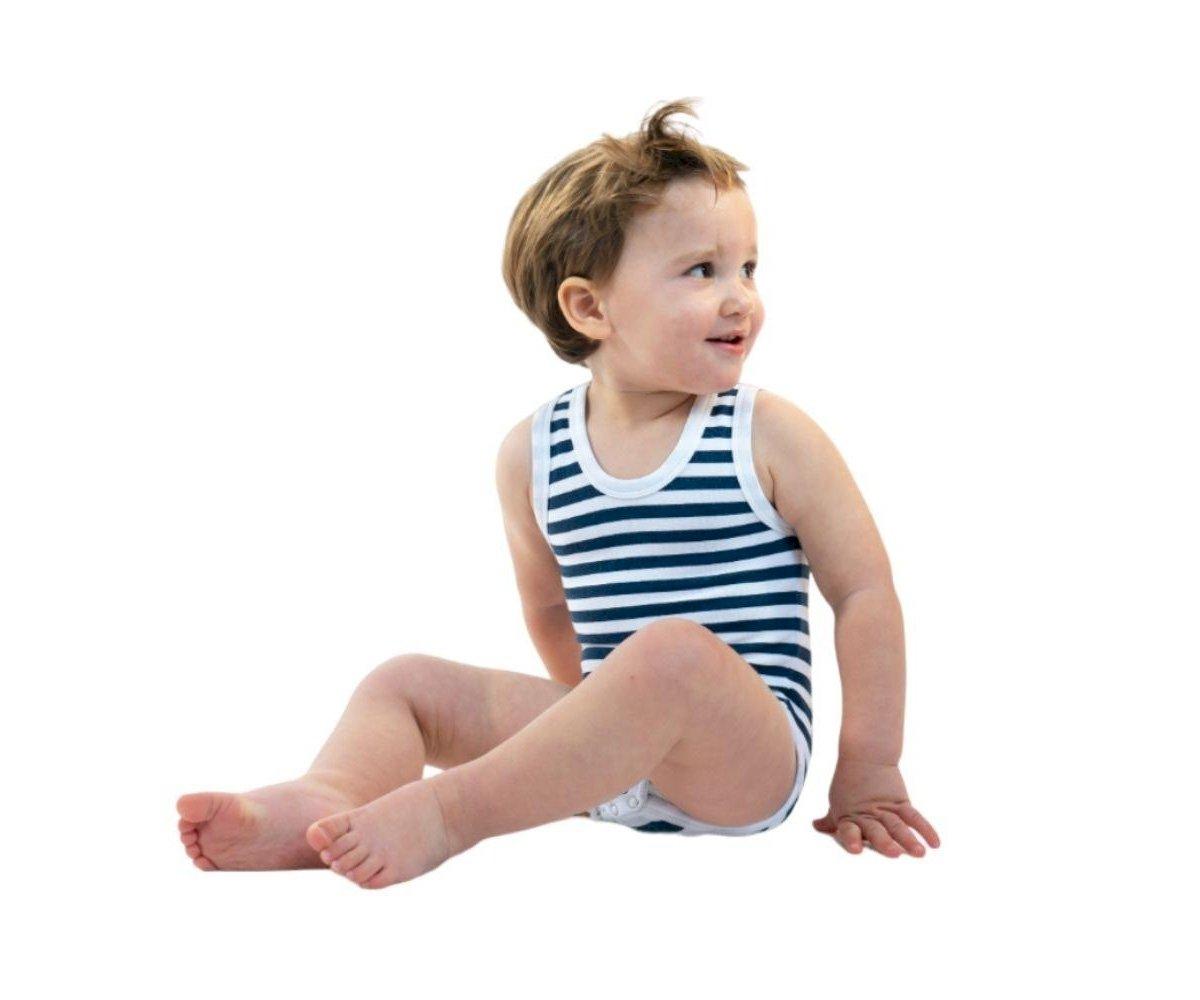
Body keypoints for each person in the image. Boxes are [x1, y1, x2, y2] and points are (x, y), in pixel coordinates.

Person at [177, 97, 941, 890]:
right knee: (404, 682)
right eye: (702, 270)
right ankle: (326, 800)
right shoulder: (534, 455)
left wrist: (871, 766)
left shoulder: (767, 434)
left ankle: (450, 814)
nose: (740, 296)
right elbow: (548, 606)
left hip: (742, 766)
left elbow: (863, 591)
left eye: (748, 268)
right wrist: (593, 735)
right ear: (589, 307)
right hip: (621, 761)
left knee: (671, 655)